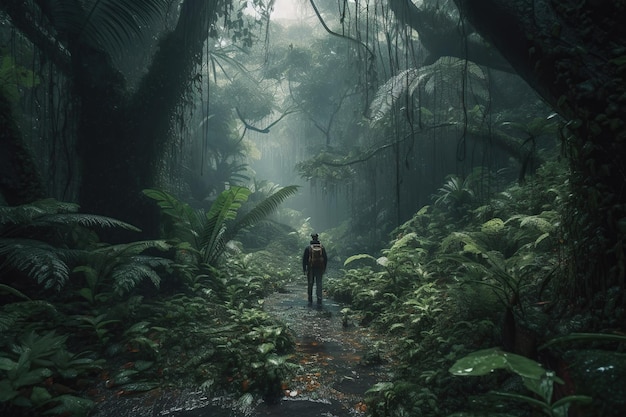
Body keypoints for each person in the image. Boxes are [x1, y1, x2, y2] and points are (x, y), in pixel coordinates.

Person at [302, 233, 328, 305]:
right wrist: (324, 268)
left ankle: (310, 299)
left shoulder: (308, 248)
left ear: (312, 238)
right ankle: (319, 299)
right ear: (317, 238)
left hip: (310, 269)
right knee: (319, 283)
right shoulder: (322, 248)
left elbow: (304, 259)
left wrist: (304, 269)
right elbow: (325, 258)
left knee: (310, 283)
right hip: (319, 268)